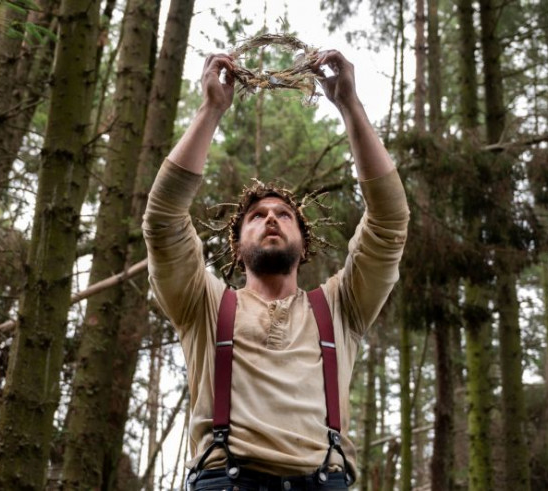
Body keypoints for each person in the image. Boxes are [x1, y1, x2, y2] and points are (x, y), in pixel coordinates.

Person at [143, 50, 409, 490]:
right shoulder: (203, 304)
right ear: (236, 246)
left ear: (303, 245)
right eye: (257, 216)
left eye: (284, 215)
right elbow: (163, 221)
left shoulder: (341, 307)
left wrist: (349, 105)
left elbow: (390, 222)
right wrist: (211, 109)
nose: (270, 218)